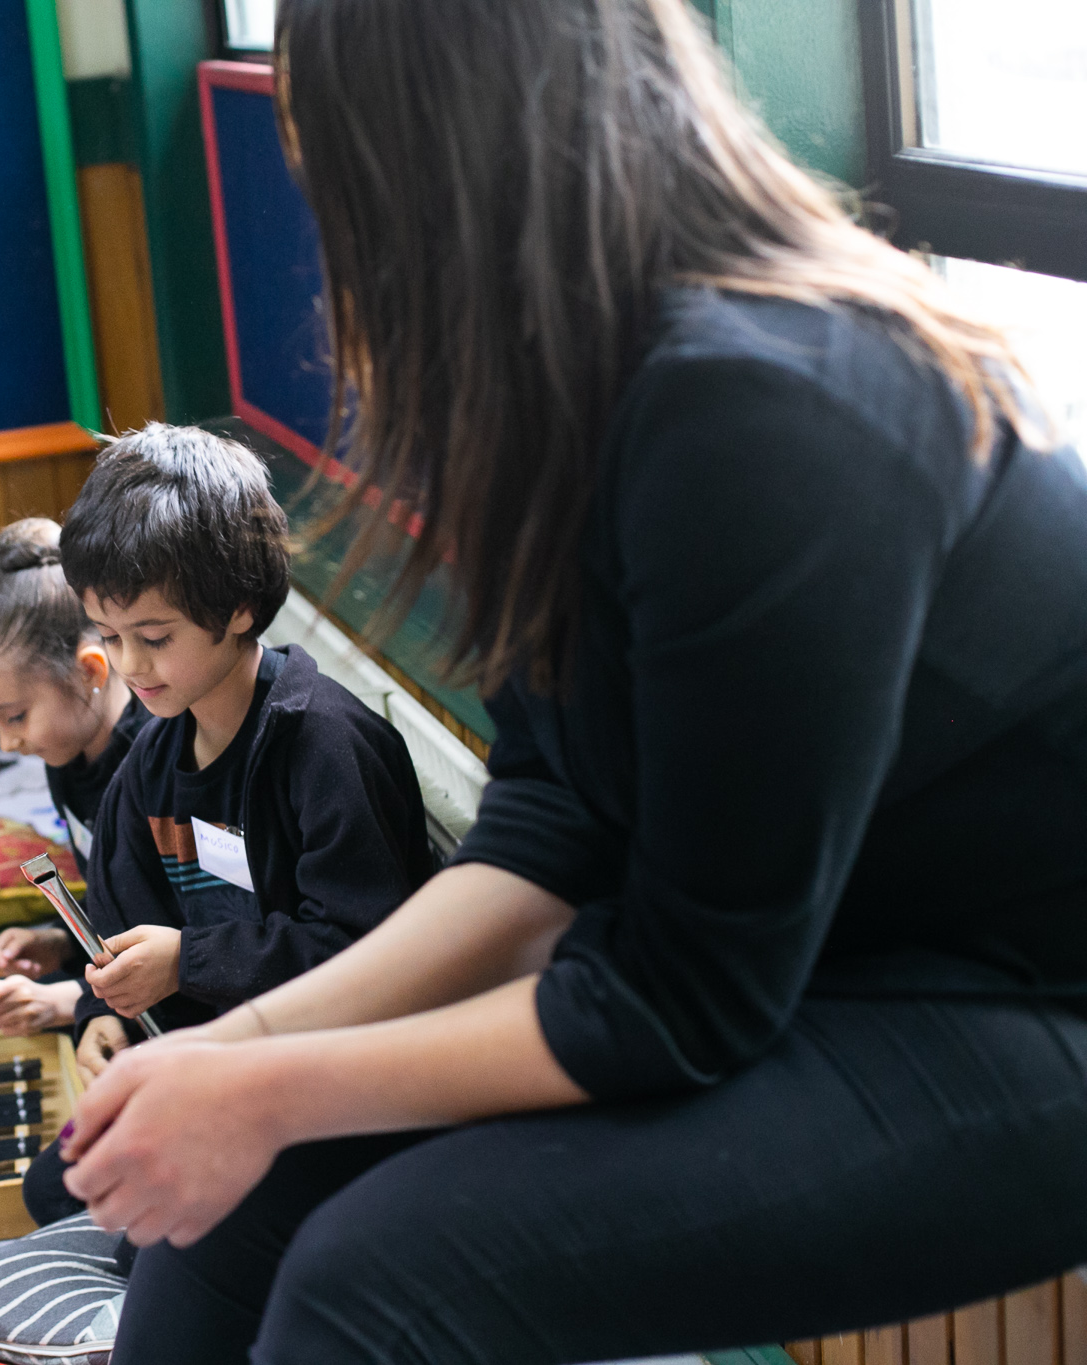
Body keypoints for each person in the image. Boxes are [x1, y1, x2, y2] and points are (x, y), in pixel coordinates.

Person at [53, 3, 1087, 1363]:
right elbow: (547, 824)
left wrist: (268, 1087)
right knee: (245, 1204)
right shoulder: (576, 395)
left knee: (373, 1280)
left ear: (429, 164)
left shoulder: (763, 399)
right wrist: (232, 1049)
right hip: (790, 963)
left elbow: (674, 997)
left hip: (1007, 1009)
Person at [24, 423, 436, 1221]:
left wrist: (189, 960)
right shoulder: (149, 761)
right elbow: (120, 925)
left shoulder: (326, 746)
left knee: (151, 1230)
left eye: (154, 637)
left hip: (331, 1085)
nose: (131, 666)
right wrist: (103, 1016)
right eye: (110, 637)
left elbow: (367, 953)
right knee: (59, 1187)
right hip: (210, 1062)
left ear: (240, 607)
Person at [0, 518, 151, 1041]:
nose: (6, 743)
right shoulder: (66, 756)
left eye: (16, 716)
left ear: (90, 672)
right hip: (113, 976)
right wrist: (62, 943)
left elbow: (182, 937)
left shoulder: (154, 765)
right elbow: (118, 902)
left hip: (170, 999)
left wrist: (67, 1001)